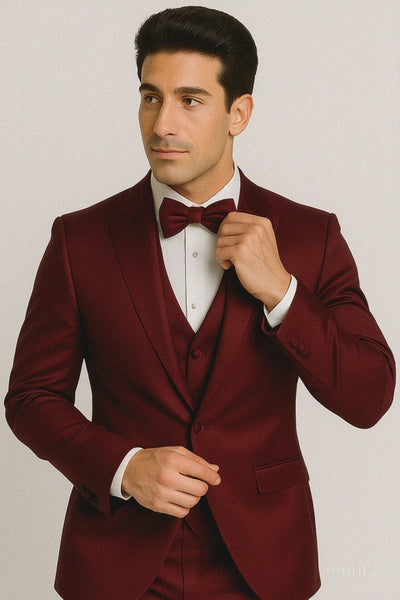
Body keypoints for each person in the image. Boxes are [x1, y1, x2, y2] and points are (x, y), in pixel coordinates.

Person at [4, 6, 395, 600]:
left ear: (239, 113)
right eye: (150, 98)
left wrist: (282, 292)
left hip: (265, 566)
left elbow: (369, 397)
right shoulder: (78, 240)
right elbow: (31, 398)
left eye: (190, 100)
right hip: (117, 565)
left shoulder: (311, 236)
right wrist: (124, 466)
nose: (162, 124)